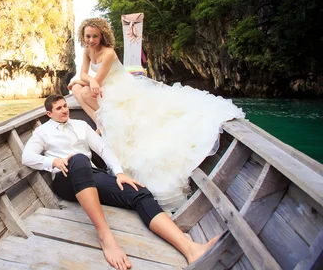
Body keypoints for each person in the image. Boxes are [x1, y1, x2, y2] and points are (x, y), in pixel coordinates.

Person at [22, 95, 220, 270]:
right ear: (49, 113)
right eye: (59, 108)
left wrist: (119, 173)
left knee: (139, 191)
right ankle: (105, 237)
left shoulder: (81, 126)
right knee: (79, 159)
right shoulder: (42, 133)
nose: (64, 110)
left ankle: (191, 249)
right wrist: (52, 162)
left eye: (65, 106)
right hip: (65, 180)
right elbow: (27, 157)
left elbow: (103, 148)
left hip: (91, 176)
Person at [68, 17, 245, 210]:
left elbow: (97, 81)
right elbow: (84, 73)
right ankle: (99, 122)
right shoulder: (87, 51)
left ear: (102, 35)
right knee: (77, 89)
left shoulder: (108, 53)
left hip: (119, 89)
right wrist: (85, 80)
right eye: (88, 36)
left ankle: (100, 123)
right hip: (102, 88)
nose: (91, 40)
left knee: (81, 90)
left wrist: (87, 81)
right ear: (83, 36)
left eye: (95, 36)